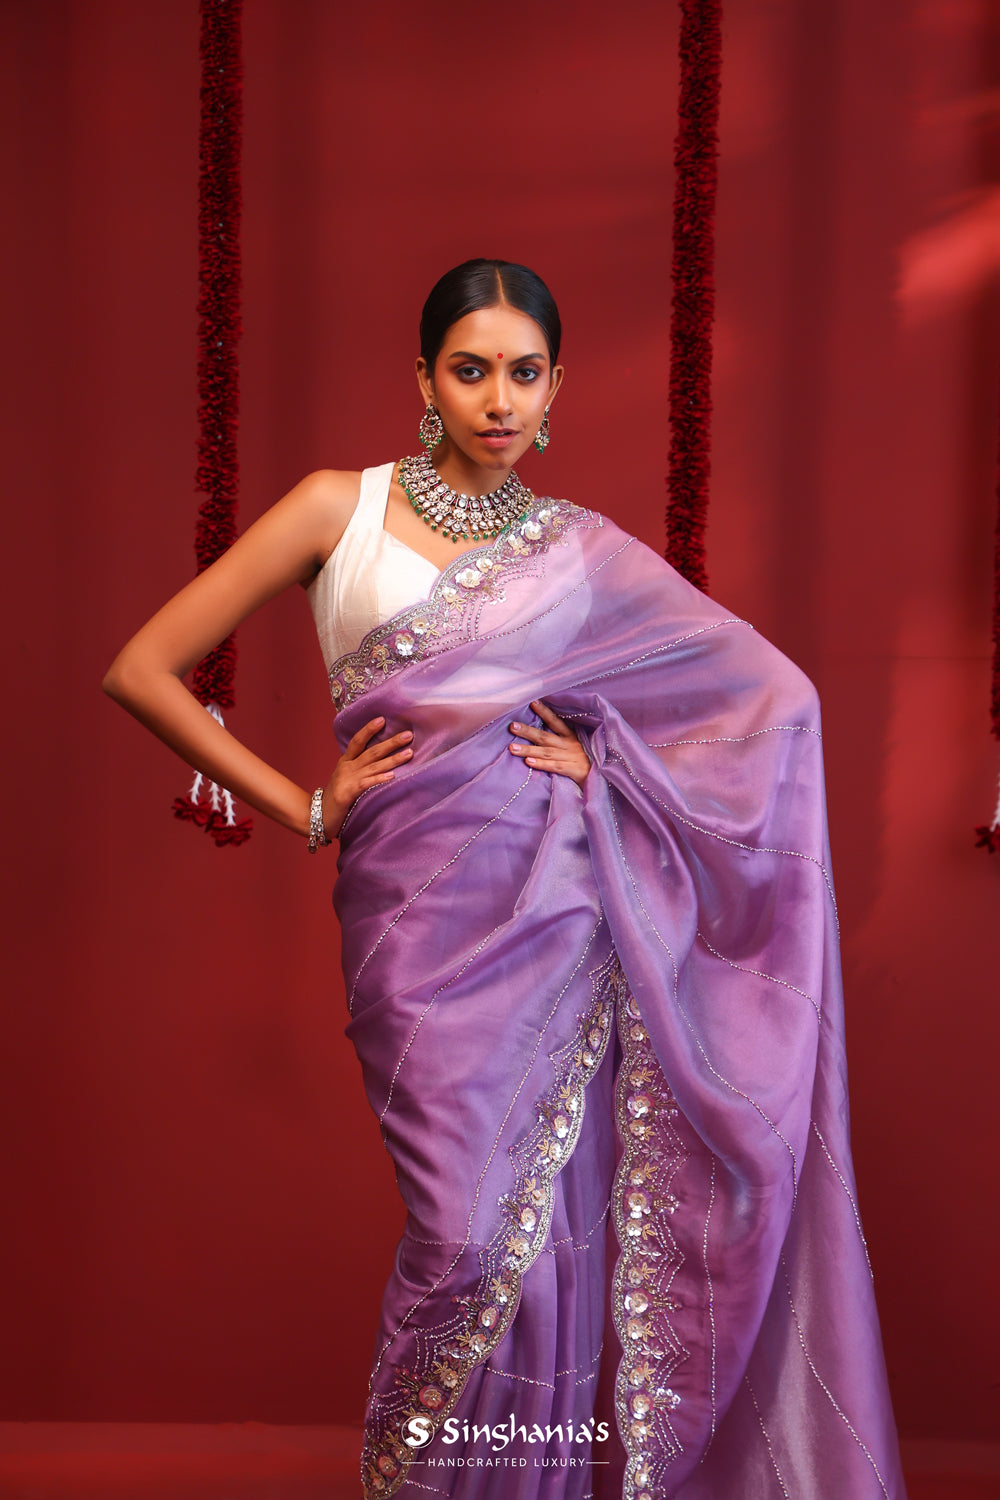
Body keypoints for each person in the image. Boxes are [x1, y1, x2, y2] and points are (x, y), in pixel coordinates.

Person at [103, 259, 907, 1499]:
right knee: (465, 1241)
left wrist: (608, 763)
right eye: (469, 370)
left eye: (522, 374)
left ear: (555, 388)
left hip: (553, 909)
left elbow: (770, 703)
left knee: (540, 1240)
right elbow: (143, 668)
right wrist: (305, 805)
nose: (497, 400)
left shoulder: (575, 551)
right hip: (414, 924)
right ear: (423, 380)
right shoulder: (337, 509)